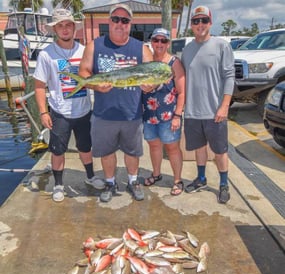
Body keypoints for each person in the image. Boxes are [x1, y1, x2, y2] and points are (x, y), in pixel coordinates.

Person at [79, 4, 153, 203]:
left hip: (132, 113)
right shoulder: (95, 45)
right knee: (106, 152)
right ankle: (110, 182)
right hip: (104, 114)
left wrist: (149, 86)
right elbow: (84, 72)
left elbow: (151, 76)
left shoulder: (142, 48)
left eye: (125, 20)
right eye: (116, 19)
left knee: (132, 151)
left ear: (130, 24)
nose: (120, 24)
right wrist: (95, 86)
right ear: (109, 22)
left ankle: (133, 180)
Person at [33, 9, 105, 202]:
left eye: (68, 24)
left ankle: (90, 176)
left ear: (74, 28)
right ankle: (58, 184)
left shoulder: (85, 51)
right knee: (57, 150)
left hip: (83, 111)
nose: (65, 29)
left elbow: (96, 76)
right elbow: (39, 86)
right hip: (59, 112)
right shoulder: (46, 55)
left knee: (85, 147)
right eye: (60, 25)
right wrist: (43, 112)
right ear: (55, 29)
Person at [181, 5, 235, 204]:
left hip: (215, 112)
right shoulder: (187, 50)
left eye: (204, 20)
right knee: (199, 148)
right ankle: (201, 178)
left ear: (210, 23)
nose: (200, 24)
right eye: (196, 21)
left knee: (220, 150)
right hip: (193, 112)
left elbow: (230, 77)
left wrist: (225, 105)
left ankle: (223, 184)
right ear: (191, 25)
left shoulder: (221, 46)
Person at [142, 28, 185, 196]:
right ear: (151, 42)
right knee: (154, 145)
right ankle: (156, 173)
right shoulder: (147, 61)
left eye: (163, 40)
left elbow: (182, 92)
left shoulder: (174, 63)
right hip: (149, 114)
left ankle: (177, 180)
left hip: (169, 114)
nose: (159, 44)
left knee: (172, 147)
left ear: (168, 43)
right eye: (156, 40)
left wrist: (177, 115)